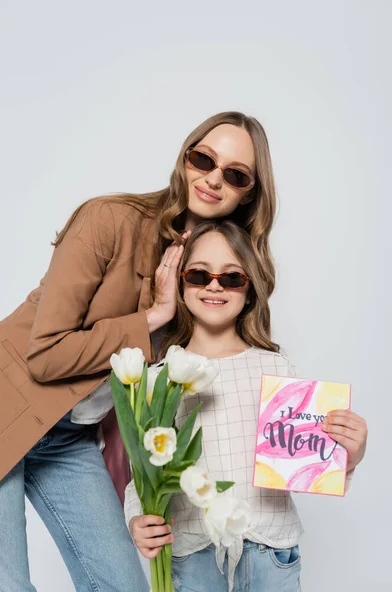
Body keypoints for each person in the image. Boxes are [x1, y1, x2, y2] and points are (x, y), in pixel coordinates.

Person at [0, 111, 277, 591]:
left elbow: (221, 384)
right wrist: (150, 320)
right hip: (2, 405)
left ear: (249, 193)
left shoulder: (216, 273)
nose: (212, 178)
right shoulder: (109, 220)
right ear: (185, 157)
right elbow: (44, 356)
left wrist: (334, 447)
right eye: (203, 158)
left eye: (234, 174)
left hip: (67, 439)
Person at [125, 222, 368, 592]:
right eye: (199, 274)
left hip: (270, 550)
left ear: (250, 288)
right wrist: (135, 519)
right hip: (194, 553)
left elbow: (303, 460)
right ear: (180, 282)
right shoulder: (161, 378)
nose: (214, 285)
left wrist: (350, 455)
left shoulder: (275, 366)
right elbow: (141, 474)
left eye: (232, 277)